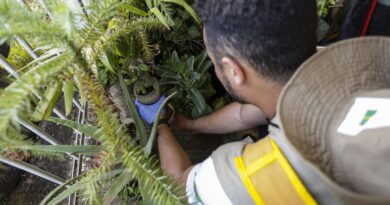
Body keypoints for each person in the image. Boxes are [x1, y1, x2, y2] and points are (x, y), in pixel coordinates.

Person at [136, 1, 390, 204]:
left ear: (233, 70)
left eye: (213, 61)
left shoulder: (263, 172)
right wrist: (188, 124)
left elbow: (179, 187)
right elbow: (246, 114)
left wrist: (161, 125)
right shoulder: (347, 65)